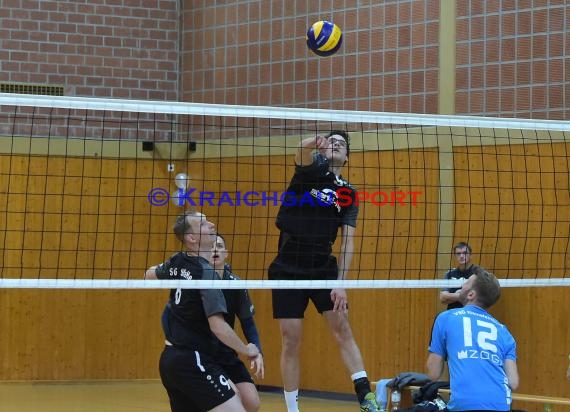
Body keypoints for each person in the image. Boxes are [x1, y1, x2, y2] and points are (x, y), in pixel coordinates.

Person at [268, 130, 379, 412]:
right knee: (290, 338)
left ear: (347, 156)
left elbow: (348, 241)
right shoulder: (311, 170)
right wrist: (310, 142)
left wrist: (341, 283)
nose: (336, 145)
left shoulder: (348, 193)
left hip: (322, 267)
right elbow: (300, 153)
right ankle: (293, 409)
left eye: (342, 144)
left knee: (342, 328)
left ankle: (366, 398)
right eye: (331, 141)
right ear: (322, 148)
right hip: (287, 266)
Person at [145, 210, 261, 412]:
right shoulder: (206, 274)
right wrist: (247, 349)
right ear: (192, 238)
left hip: (172, 358)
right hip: (192, 359)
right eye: (204, 224)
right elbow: (218, 327)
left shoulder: (180, 260)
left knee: (249, 402)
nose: (212, 225)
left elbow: (148, 275)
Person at [427, 271, 519, 412]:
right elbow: (513, 382)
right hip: (501, 405)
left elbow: (433, 373)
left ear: (471, 295)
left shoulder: (445, 318)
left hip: (465, 406)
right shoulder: (504, 331)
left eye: (466, 282)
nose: (461, 285)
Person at [209, 234, 264, 412]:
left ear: (226, 253)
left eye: (218, 246)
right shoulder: (196, 282)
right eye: (210, 246)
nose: (215, 249)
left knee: (252, 403)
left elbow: (248, 323)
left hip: (227, 354)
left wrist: (257, 351)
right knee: (233, 399)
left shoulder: (236, 284)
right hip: (203, 353)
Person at [439, 242, 483, 310]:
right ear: (455, 256)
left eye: (465, 253)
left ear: (470, 255)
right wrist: (465, 294)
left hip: (472, 312)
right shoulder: (449, 274)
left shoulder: (479, 272)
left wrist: (455, 295)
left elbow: (479, 296)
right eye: (458, 253)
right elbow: (443, 298)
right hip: (454, 313)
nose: (461, 256)